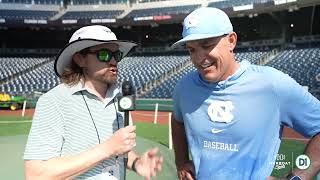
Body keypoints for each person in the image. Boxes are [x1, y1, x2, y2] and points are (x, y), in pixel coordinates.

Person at [171, 7, 320, 180]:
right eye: (192, 49)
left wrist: (297, 178)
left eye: (206, 45)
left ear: (231, 41)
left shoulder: (271, 84)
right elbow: (178, 121)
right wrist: (181, 162)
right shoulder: (185, 87)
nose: (198, 58)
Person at [24, 25, 163, 180]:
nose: (113, 61)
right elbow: (36, 174)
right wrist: (106, 149)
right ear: (80, 59)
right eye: (104, 54)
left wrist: (137, 163)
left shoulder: (120, 99)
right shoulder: (53, 101)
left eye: (116, 55)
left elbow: (119, 148)